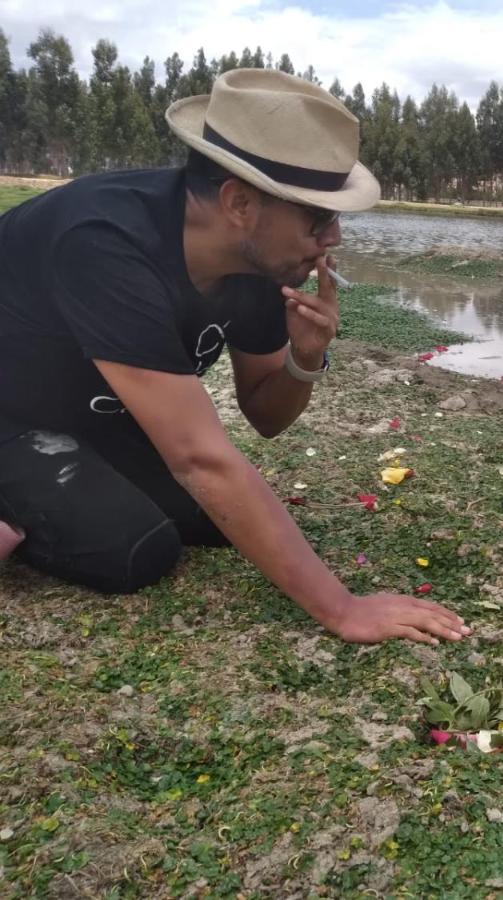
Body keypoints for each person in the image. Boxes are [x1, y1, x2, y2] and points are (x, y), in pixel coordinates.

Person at [0, 68, 470, 647]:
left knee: (213, 524)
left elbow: (266, 416)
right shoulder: (102, 243)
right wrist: (343, 610)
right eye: (318, 218)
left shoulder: (255, 264)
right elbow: (200, 459)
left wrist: (304, 357)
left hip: (90, 418)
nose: (335, 238)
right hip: (12, 415)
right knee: (134, 549)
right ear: (240, 203)